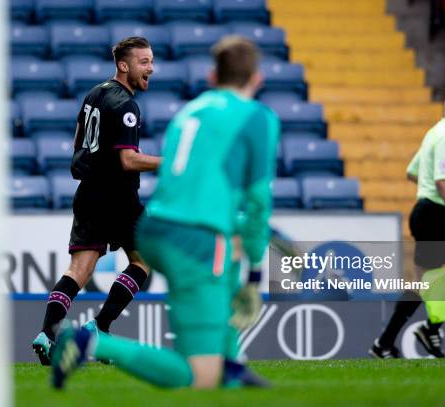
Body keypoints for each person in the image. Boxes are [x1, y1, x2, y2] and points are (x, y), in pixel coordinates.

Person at [51, 36, 280, 389]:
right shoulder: (258, 117)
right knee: (199, 376)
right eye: (145, 61)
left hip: (157, 225)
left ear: (212, 77)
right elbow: (258, 200)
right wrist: (254, 273)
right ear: (256, 80)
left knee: (225, 254)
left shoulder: (189, 111)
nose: (151, 68)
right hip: (192, 236)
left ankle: (232, 364)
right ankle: (91, 340)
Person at [32, 37, 161, 365]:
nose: (151, 68)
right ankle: (100, 326)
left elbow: (78, 143)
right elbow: (128, 161)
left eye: (151, 61)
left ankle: (47, 334)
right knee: (144, 259)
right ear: (124, 65)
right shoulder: (127, 106)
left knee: (79, 269)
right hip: (117, 196)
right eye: (143, 62)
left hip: (89, 193)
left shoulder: (95, 93)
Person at [370, 90, 445, 359]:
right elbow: (442, 180)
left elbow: (412, 171)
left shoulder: (435, 133)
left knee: (425, 282)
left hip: (427, 211)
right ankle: (429, 329)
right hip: (436, 213)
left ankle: (384, 343)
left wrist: (434, 192)